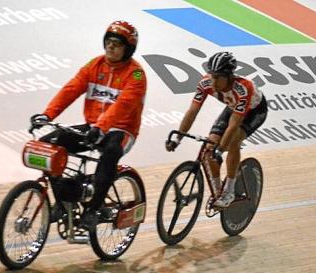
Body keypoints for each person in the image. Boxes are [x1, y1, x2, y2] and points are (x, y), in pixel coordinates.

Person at [30, 20, 146, 227]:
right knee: (48, 145)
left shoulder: (136, 74)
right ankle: (62, 200)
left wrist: (101, 127)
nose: (110, 46)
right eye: (108, 42)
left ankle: (94, 208)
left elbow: (122, 105)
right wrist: (47, 115)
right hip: (94, 126)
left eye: (117, 44)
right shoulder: (95, 65)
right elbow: (71, 89)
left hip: (122, 130)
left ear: (128, 50)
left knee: (110, 152)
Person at [166, 51, 268, 207]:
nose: (213, 81)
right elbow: (193, 111)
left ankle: (229, 192)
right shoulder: (206, 83)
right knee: (209, 148)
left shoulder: (243, 88)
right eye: (211, 75)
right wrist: (178, 138)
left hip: (254, 111)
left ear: (229, 77)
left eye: (217, 77)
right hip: (233, 107)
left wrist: (220, 150)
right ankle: (217, 191)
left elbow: (234, 124)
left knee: (233, 141)